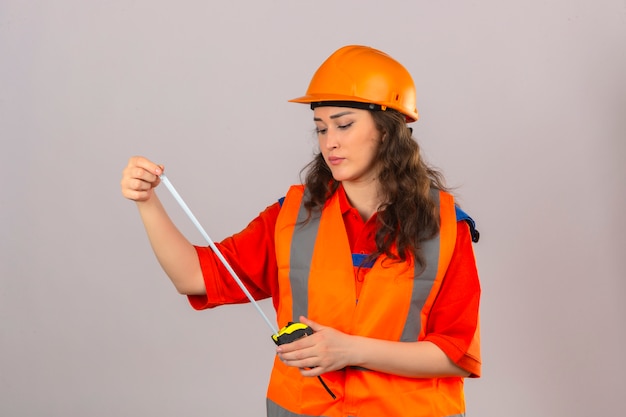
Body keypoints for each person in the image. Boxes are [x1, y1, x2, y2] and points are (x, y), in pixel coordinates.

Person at [121, 45, 481, 417]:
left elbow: (458, 354)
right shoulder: (291, 218)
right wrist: (147, 202)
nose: (330, 142)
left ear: (389, 132)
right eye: (321, 128)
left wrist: (351, 351)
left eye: (344, 125)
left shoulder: (443, 227)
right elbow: (194, 275)